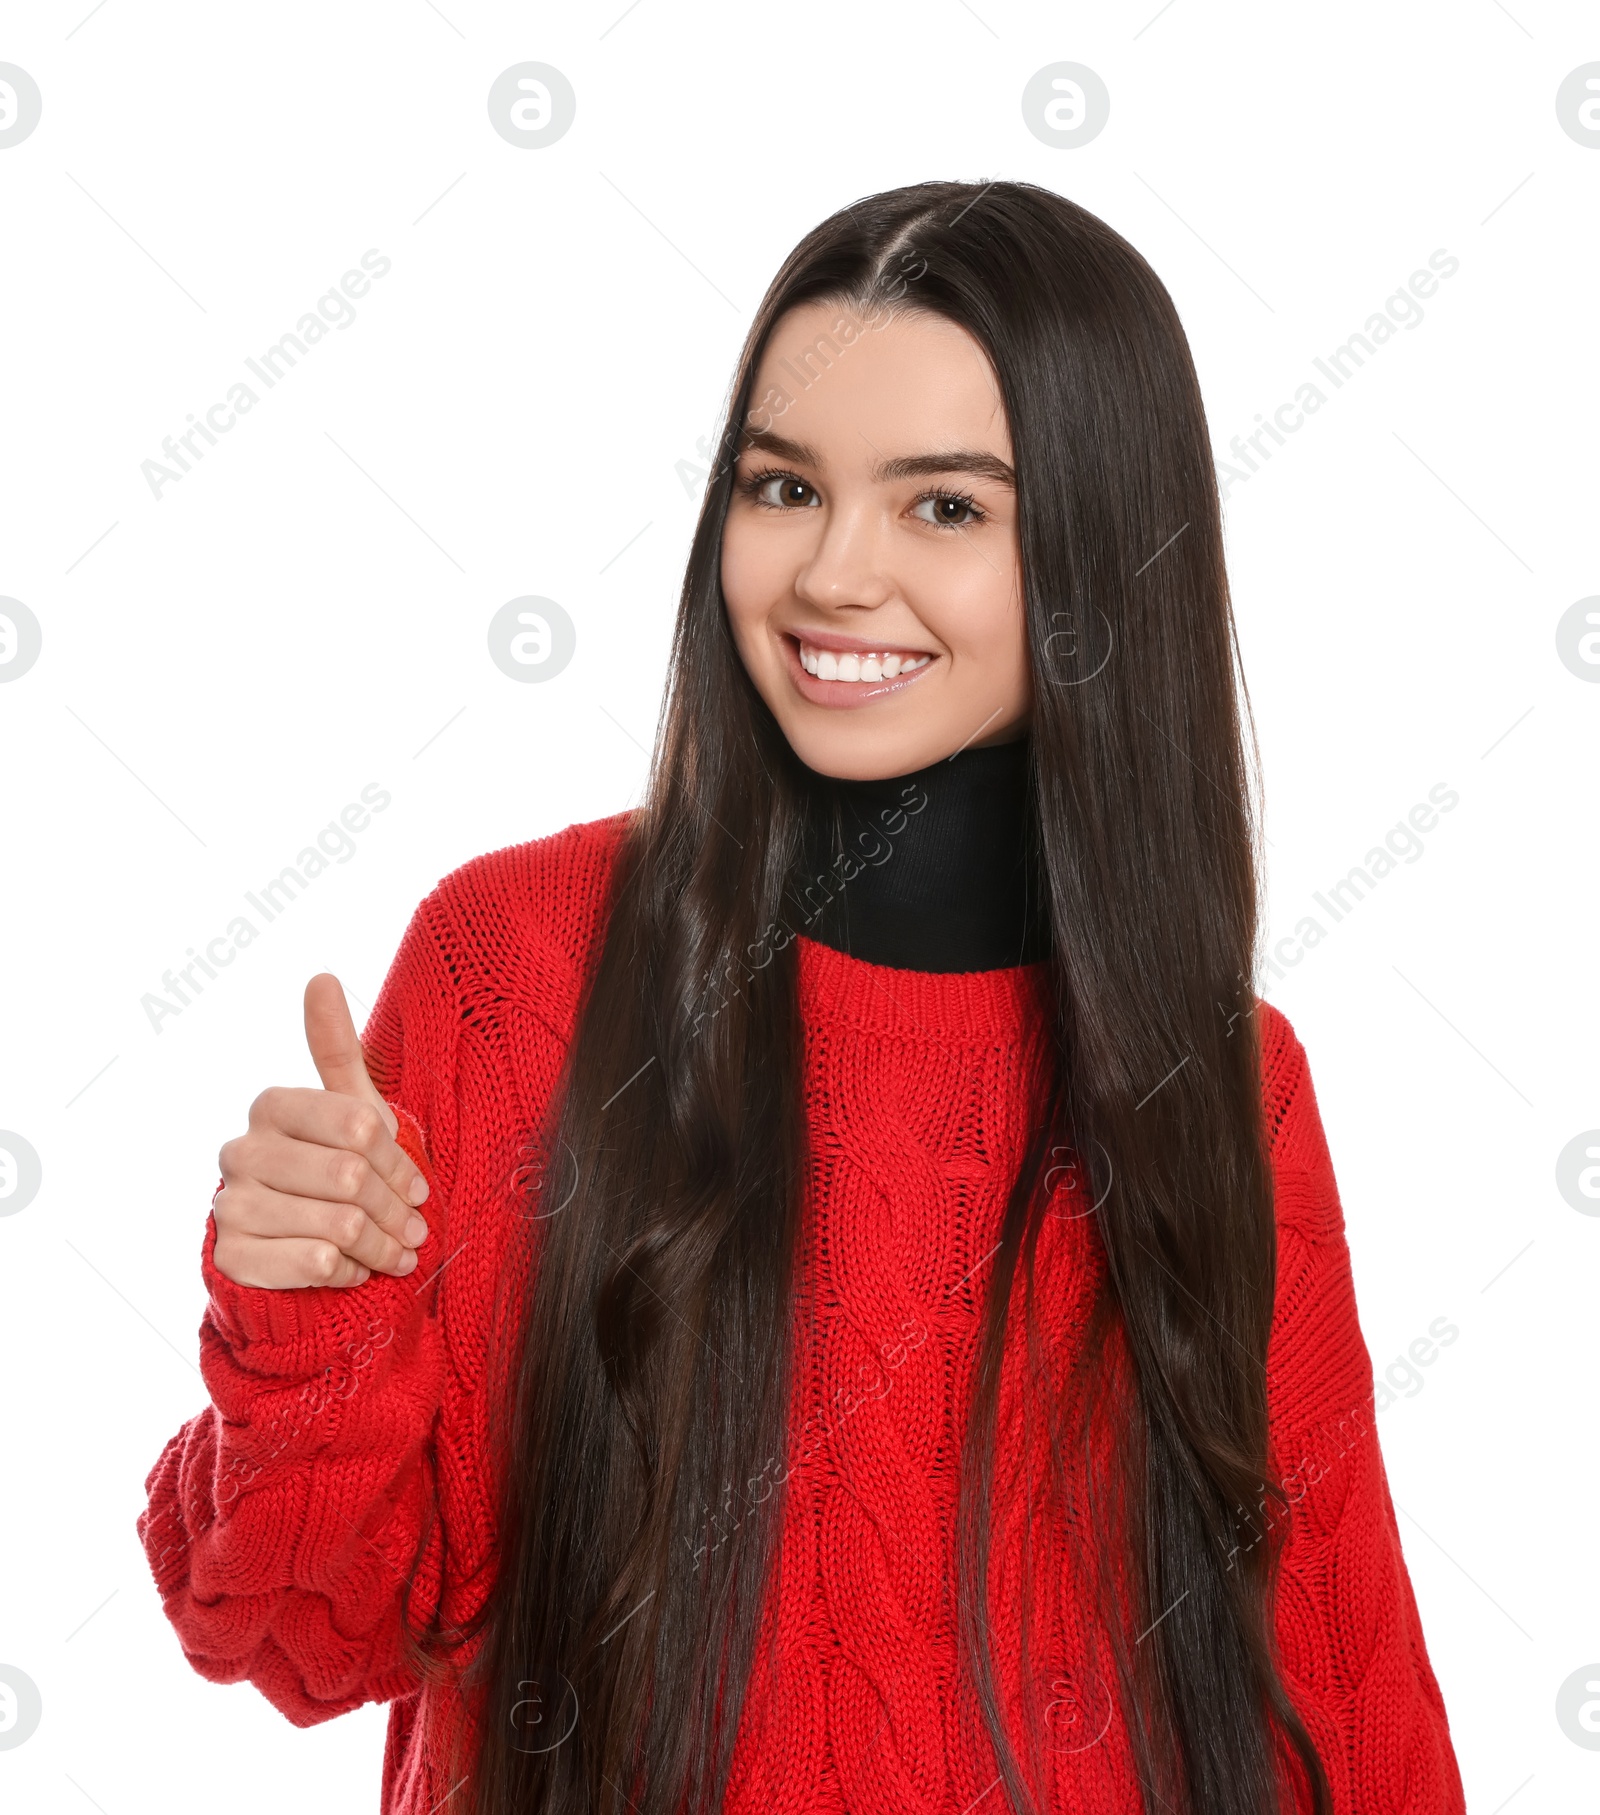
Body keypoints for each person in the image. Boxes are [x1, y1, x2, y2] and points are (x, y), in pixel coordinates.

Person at [137, 180, 1466, 1815]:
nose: (836, 573)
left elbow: (1344, 1690)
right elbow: (301, 1638)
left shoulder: (1224, 1078)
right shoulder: (519, 969)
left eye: (946, 509)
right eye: (786, 487)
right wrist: (310, 1310)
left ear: (1104, 556)